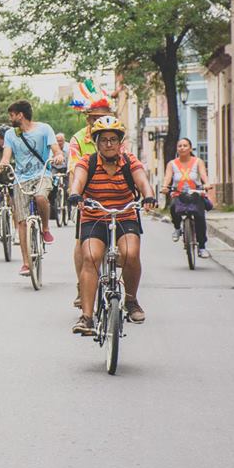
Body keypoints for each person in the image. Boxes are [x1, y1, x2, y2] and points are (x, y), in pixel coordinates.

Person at [67, 116, 156, 335]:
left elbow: (142, 181)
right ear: (96, 142)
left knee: (130, 254)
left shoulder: (129, 161)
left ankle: (131, 300)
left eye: (113, 139)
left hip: (125, 216)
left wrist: (149, 195)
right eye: (104, 139)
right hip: (95, 217)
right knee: (91, 258)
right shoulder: (87, 162)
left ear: (120, 142)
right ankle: (86, 317)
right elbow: (78, 179)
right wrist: (75, 194)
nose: (109, 144)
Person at [0, 101, 64, 276]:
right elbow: (6, 156)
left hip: (42, 174)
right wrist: (2, 164)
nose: (10, 118)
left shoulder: (44, 129)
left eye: (12, 115)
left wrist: (58, 156)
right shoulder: (11, 134)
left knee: (41, 197)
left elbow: (56, 149)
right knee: (22, 221)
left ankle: (45, 228)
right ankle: (26, 263)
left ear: (20, 115)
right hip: (21, 179)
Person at [67, 101, 117, 307]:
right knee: (81, 242)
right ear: (88, 119)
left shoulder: (117, 135)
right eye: (95, 118)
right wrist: (76, 195)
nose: (99, 121)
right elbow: (73, 168)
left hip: (115, 193)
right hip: (88, 195)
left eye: (103, 117)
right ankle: (82, 285)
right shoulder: (78, 139)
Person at [162, 137, 214, 258]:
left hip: (195, 193)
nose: (182, 148)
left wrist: (206, 183)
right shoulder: (172, 164)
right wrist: (165, 187)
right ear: (177, 149)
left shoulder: (197, 161)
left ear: (190, 148)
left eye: (185, 145)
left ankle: (202, 247)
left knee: (200, 217)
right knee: (173, 207)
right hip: (178, 194)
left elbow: (203, 174)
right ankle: (177, 228)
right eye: (180, 146)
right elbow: (167, 177)